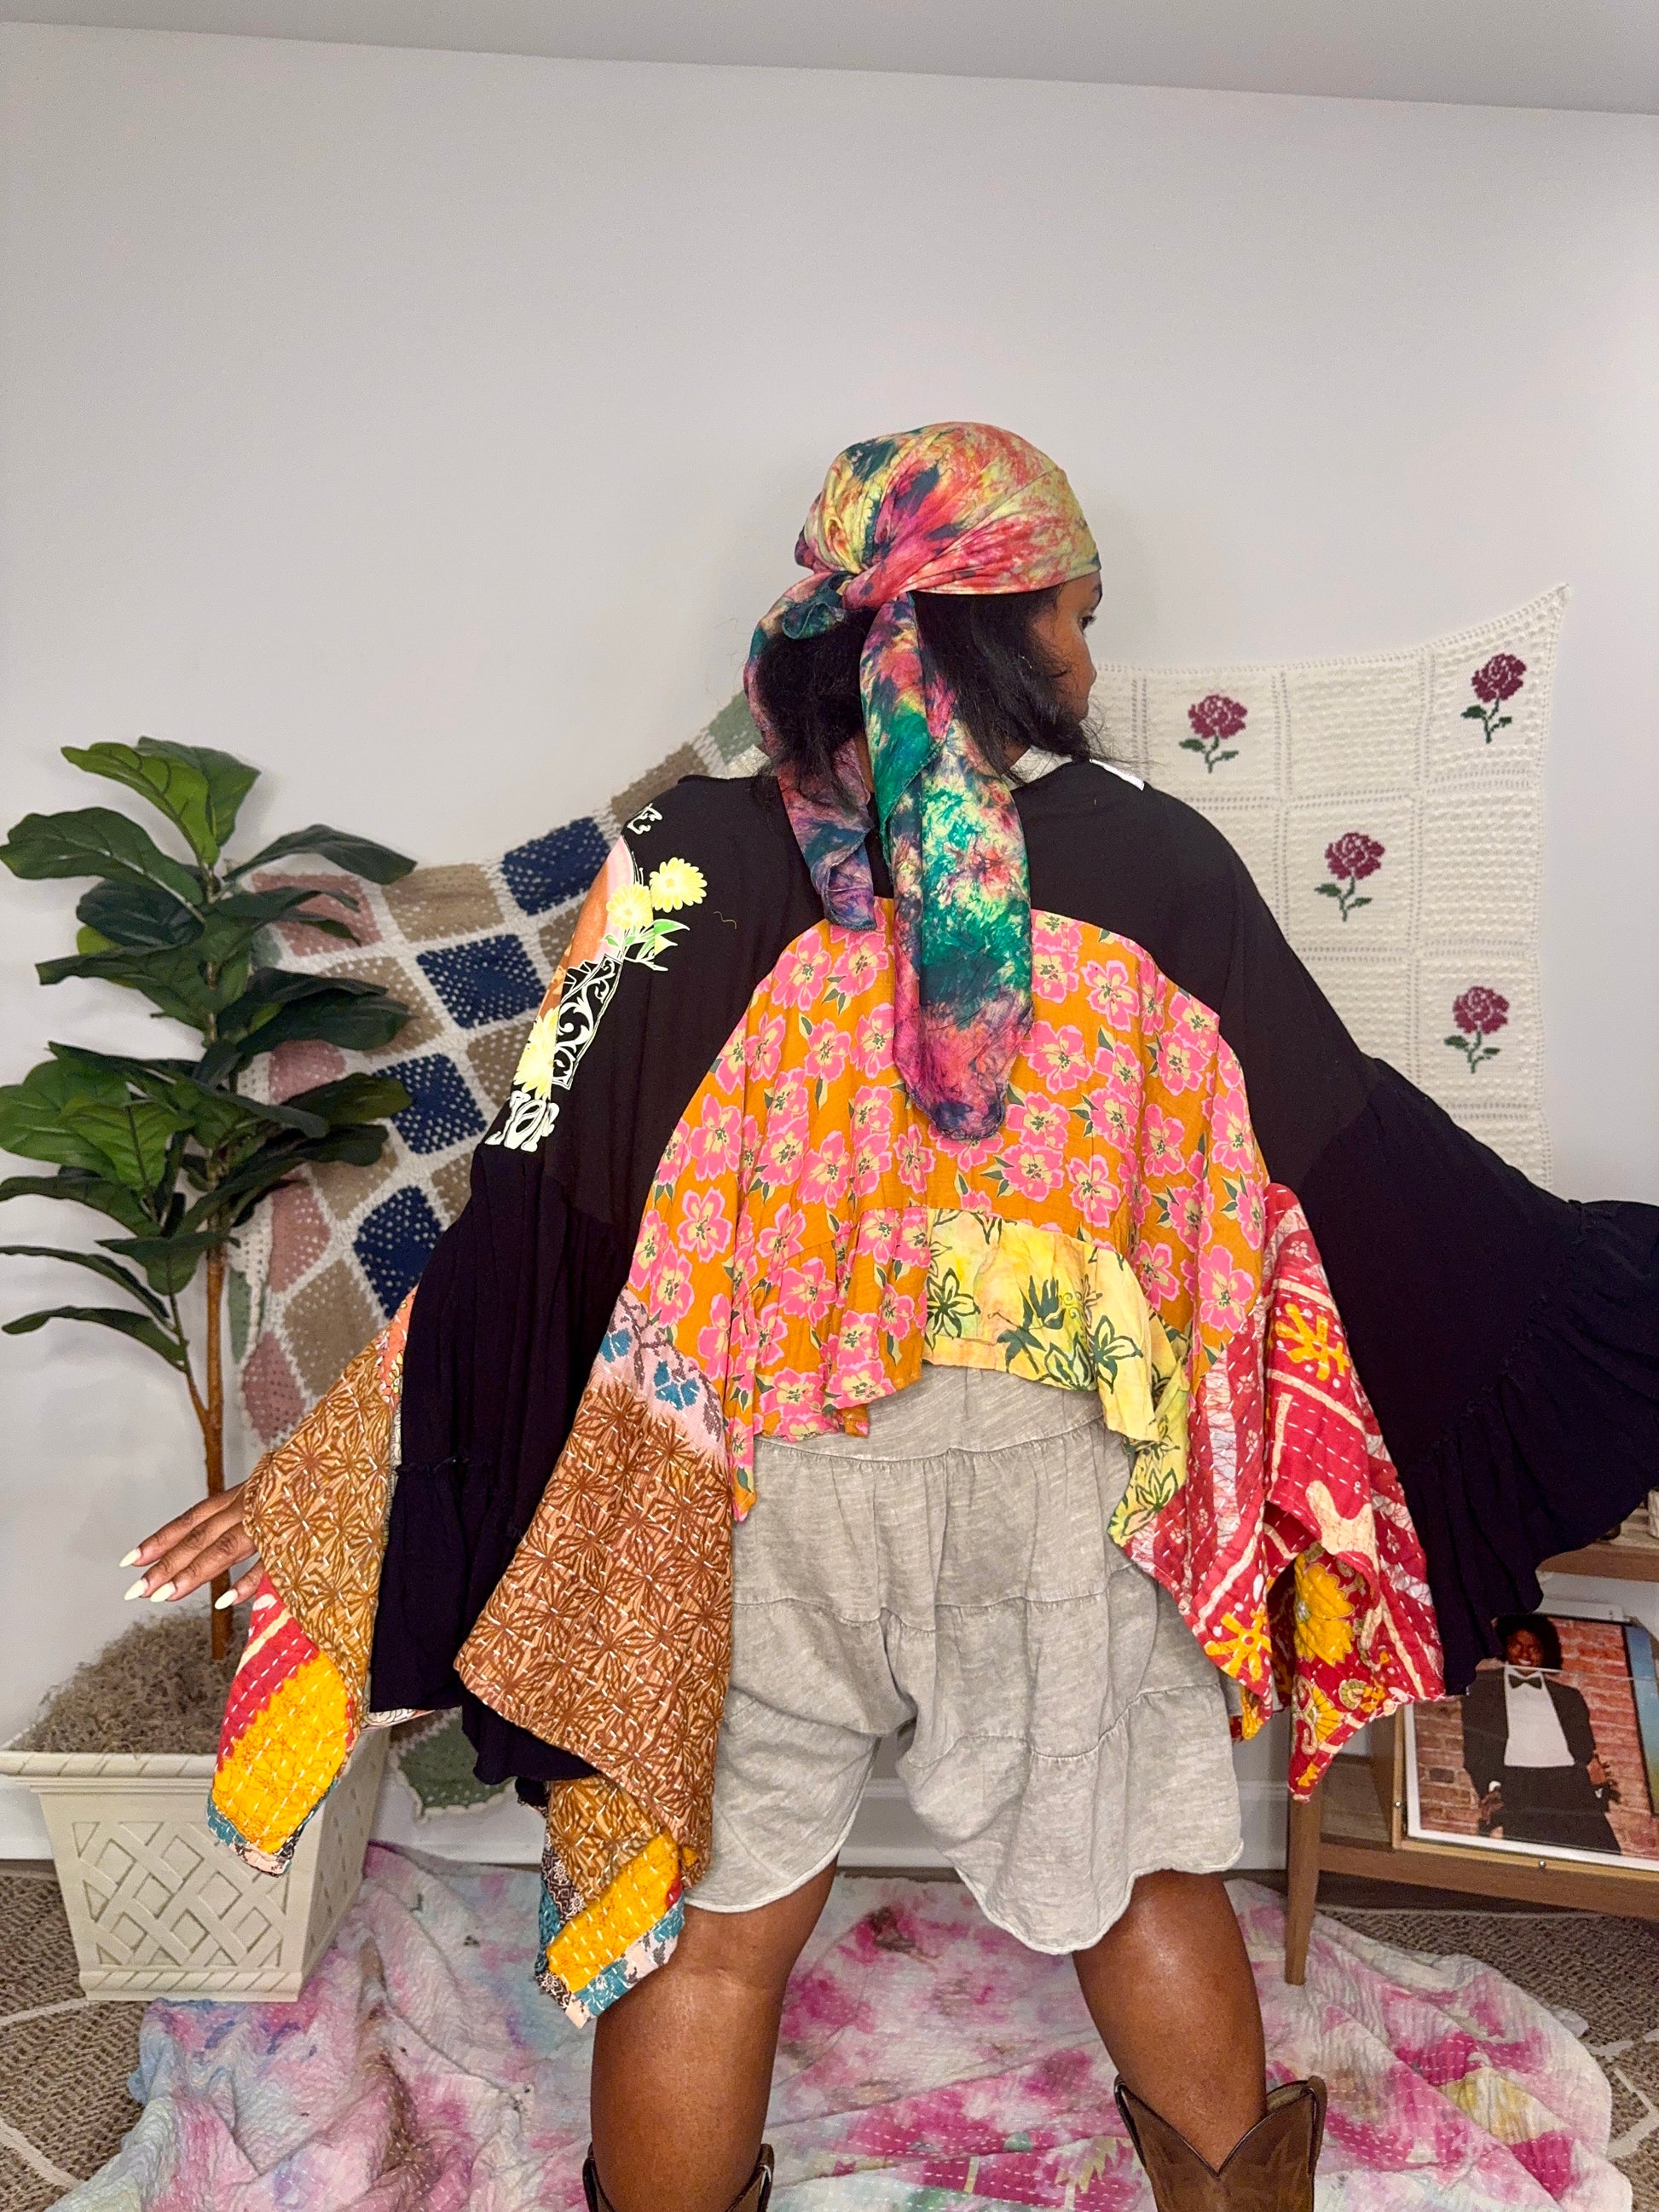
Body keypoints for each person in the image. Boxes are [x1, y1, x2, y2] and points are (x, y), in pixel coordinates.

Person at [128, 422, 1658, 2212]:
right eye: (1076, 613)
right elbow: (1346, 1163)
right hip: (1065, 1499)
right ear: (998, 626)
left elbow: (535, 1183)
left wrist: (340, 1461)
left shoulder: (670, 860)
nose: (1086, 656)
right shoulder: (1158, 865)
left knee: (716, 1936)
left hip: (750, 1486)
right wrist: (1608, 1293)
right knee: (1139, 1883)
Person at [1460, 1614, 1621, 1856]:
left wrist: (1595, 1784)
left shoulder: (1570, 1698)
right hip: (1517, 1787)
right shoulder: (1481, 1688)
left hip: (1570, 1787)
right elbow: (1476, 1748)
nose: (1525, 1654)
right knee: (1529, 1862)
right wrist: (1493, 1789)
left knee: (1604, 1859)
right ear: (1504, 1645)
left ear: (1545, 1653)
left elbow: (1586, 1754)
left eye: (1534, 1648)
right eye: (1517, 1645)